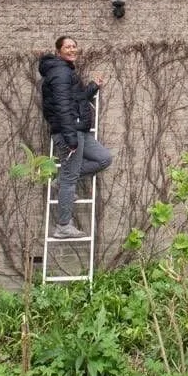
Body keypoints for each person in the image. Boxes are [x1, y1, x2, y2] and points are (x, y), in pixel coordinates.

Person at [38, 36, 114, 238]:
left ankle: (61, 181)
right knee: (70, 180)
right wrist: (70, 138)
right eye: (67, 47)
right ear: (58, 51)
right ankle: (63, 225)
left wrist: (92, 87)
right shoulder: (60, 72)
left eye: (74, 46)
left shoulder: (64, 71)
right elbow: (63, 107)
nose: (72, 49)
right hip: (69, 132)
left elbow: (74, 98)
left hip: (79, 129)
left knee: (104, 158)